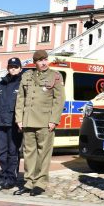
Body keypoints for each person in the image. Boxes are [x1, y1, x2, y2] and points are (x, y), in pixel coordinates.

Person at [13, 50, 65, 196]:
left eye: (45, 60)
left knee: (43, 154)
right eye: (40, 60)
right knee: (29, 153)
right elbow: (21, 98)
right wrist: (19, 118)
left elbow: (59, 100)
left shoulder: (55, 76)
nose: (43, 63)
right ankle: (29, 182)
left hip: (45, 121)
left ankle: (40, 183)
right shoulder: (27, 75)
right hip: (28, 120)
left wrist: (54, 120)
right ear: (35, 62)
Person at [0, 57, 23, 190]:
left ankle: (11, 178)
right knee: (2, 153)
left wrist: (22, 123)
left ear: (20, 68)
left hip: (14, 124)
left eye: (15, 67)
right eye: (10, 67)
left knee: (12, 152)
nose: (12, 69)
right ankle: (3, 177)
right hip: (1, 122)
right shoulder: (2, 83)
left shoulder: (22, 83)